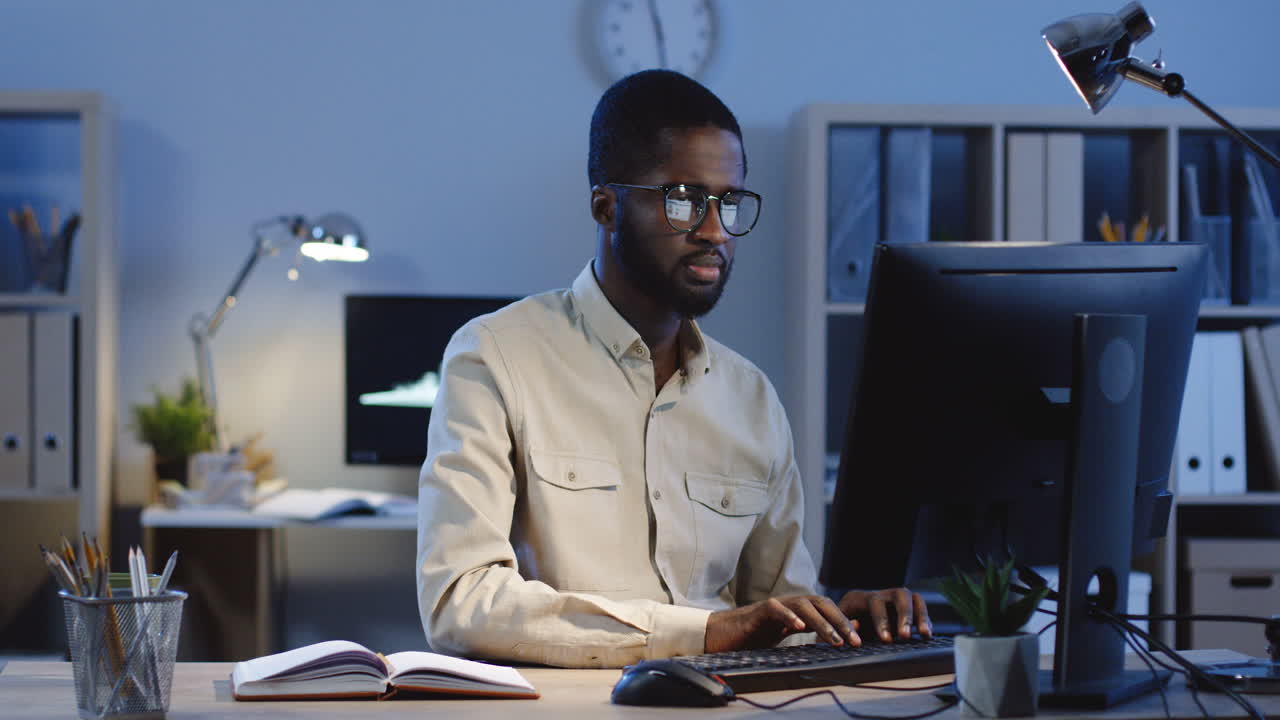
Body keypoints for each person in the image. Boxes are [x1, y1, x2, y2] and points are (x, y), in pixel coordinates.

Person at [416, 69, 930, 669]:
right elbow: (461, 603)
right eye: (683, 199)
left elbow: (779, 614)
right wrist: (704, 633)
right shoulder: (495, 356)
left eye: (729, 201)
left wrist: (839, 621)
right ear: (607, 208)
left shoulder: (752, 398)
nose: (714, 232)